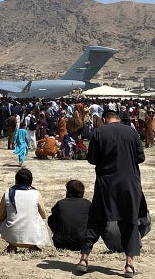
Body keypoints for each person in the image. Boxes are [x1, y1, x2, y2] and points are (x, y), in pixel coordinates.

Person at [79, 109, 147, 278]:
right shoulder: (131, 132)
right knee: (129, 222)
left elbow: (92, 159)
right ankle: (129, 264)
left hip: (106, 183)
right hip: (129, 184)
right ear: (118, 118)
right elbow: (141, 158)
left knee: (96, 220)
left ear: (104, 119)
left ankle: (84, 259)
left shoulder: (98, 133)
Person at [0, 168, 51, 253]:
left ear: (16, 180)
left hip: (11, 238)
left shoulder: (8, 192)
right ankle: (33, 247)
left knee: (1, 220)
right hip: (32, 239)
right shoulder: (36, 193)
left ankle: (12, 246)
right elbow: (44, 215)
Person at [48, 180, 91, 251]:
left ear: (69, 193)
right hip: (83, 243)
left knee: (51, 218)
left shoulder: (60, 203)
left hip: (61, 243)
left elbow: (51, 221)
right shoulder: (87, 204)